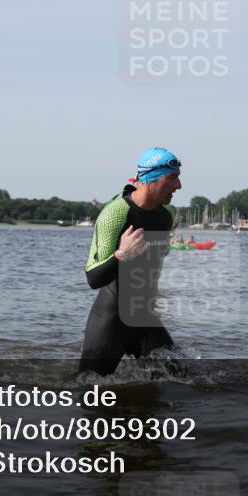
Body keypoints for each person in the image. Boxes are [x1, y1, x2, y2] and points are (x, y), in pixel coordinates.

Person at [79, 147, 182, 376]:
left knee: (186, 380)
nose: (179, 185)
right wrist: (121, 255)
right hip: (110, 323)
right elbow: (93, 279)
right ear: (151, 178)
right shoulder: (115, 213)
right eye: (172, 177)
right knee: (88, 391)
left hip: (145, 321)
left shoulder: (167, 215)